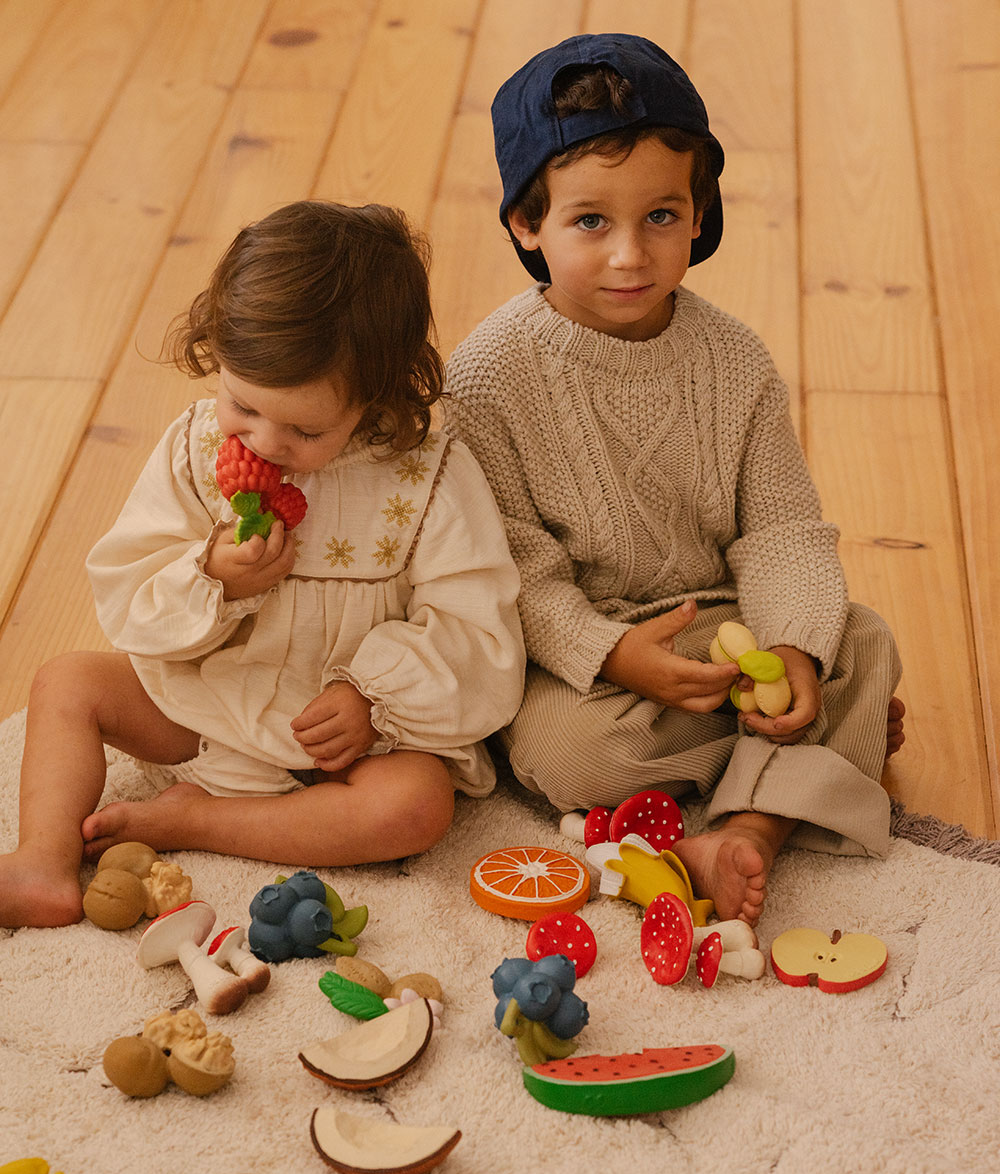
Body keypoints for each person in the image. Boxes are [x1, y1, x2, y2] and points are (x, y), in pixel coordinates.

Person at [445, 34, 905, 925]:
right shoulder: (488, 377)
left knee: (865, 638)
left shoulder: (733, 359)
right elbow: (517, 571)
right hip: (591, 660)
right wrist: (614, 655)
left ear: (700, 214)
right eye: (590, 222)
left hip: (725, 629)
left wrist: (801, 653)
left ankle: (748, 827)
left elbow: (780, 530)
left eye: (661, 216)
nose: (630, 256)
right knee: (558, 751)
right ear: (525, 223)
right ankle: (807, 763)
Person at [1, 200, 525, 929]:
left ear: (376, 397)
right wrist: (210, 579)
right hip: (207, 703)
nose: (269, 441)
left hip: (342, 750)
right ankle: (42, 860)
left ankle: (200, 822)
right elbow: (129, 587)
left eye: (306, 427)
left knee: (417, 805)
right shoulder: (193, 452)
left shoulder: (427, 478)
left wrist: (372, 699)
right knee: (67, 681)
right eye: (243, 405)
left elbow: (479, 628)